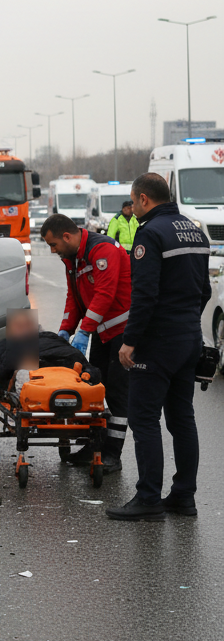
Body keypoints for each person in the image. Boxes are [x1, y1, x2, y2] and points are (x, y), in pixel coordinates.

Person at [108, 172, 211, 521]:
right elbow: (204, 291)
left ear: (143, 199)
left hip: (157, 343)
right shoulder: (195, 231)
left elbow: (145, 294)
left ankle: (148, 498)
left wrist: (130, 341)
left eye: (134, 200)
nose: (133, 207)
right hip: (189, 338)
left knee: (144, 418)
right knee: (182, 419)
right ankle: (183, 497)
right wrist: (185, 321)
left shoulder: (150, 233)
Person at [41, 213, 131, 472]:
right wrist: (65, 329)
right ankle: (95, 447)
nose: (53, 250)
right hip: (104, 331)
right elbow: (74, 297)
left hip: (122, 332)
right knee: (95, 387)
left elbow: (105, 294)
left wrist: (85, 331)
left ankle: (112, 454)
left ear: (66, 236)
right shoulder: (73, 258)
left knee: (117, 394)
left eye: (53, 244)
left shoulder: (102, 250)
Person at [0, 308, 96, 390]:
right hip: (64, 366)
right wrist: (89, 373)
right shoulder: (52, 337)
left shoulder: (9, 344)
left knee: (23, 375)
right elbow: (89, 369)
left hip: (41, 369)